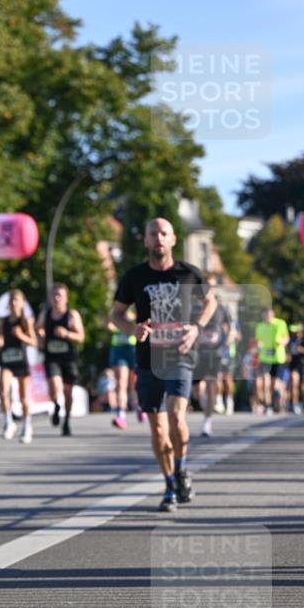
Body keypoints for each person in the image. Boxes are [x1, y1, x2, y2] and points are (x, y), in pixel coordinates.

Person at [109, 217, 216, 512]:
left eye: (163, 233)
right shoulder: (134, 277)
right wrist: (132, 330)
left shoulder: (189, 273)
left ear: (172, 240)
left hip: (180, 354)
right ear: (145, 240)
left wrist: (196, 327)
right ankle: (169, 483)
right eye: (152, 233)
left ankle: (181, 467)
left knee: (177, 417)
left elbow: (211, 302)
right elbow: (116, 315)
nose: (158, 238)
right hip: (147, 359)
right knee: (157, 430)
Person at [37, 283, 85, 437]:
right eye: (54, 295)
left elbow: (81, 337)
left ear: (66, 298)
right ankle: (56, 405)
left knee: (67, 392)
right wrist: (41, 337)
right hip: (51, 357)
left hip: (68, 358)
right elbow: (37, 328)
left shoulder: (72, 315)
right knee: (54, 386)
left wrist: (66, 334)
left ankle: (67, 421)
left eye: (60, 295)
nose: (57, 298)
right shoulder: (46, 313)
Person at [191, 276, 231, 437]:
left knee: (211, 384)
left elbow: (229, 328)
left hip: (215, 353)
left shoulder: (221, 308)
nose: (210, 288)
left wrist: (225, 342)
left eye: (212, 286)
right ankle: (202, 402)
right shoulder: (194, 308)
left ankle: (207, 422)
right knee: (196, 389)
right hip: (197, 352)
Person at [0, 288, 36, 443]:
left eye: (16, 300)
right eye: (11, 300)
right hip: (7, 360)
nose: (13, 303)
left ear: (22, 303)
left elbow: (34, 341)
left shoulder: (25, 320)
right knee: (3, 391)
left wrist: (21, 335)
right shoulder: (3, 321)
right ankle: (8, 422)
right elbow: (0, 338)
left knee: (23, 397)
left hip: (21, 361)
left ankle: (27, 426)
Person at [107, 308, 143, 430]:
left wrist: (130, 319)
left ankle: (139, 406)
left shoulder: (134, 312)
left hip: (132, 350)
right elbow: (108, 325)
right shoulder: (116, 312)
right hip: (119, 350)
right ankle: (121, 414)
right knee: (121, 382)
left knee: (135, 384)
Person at [254, 307, 290, 415]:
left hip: (278, 358)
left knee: (275, 385)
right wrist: (258, 344)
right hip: (265, 358)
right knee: (266, 381)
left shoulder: (280, 323)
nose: (268, 318)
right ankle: (268, 405)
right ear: (263, 316)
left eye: (270, 316)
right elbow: (257, 340)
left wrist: (282, 342)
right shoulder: (260, 326)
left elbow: (286, 337)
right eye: (266, 316)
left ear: (273, 315)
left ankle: (281, 398)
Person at [287, 325, 304, 414]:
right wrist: (287, 355)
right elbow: (287, 351)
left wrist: (302, 350)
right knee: (294, 384)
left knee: (303, 386)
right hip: (294, 365)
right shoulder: (291, 340)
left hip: (303, 365)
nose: (296, 334)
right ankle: (295, 404)